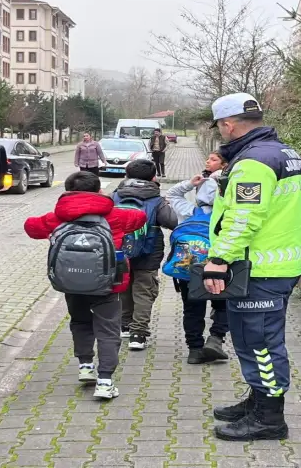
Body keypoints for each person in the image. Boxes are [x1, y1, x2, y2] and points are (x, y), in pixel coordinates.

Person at [202, 93, 301, 442]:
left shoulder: (253, 163)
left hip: (259, 268)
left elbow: (243, 218)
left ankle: (269, 419)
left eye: (220, 126)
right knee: (257, 338)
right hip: (281, 262)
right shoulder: (285, 153)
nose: (221, 131)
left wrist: (218, 260)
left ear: (229, 124)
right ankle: (257, 401)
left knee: (259, 343)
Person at [23, 171, 146, 399]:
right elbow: (140, 218)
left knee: (80, 322)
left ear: (67, 191)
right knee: (108, 330)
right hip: (109, 284)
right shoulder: (116, 216)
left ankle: (86, 367)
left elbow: (31, 227)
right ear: (99, 190)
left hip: (72, 283)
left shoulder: (58, 217)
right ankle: (105, 382)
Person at [165, 151, 230, 364]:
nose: (207, 162)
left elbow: (172, 194)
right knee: (224, 304)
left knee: (192, 309)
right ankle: (216, 338)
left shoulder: (190, 212)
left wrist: (190, 184)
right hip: (221, 265)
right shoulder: (229, 214)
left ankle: (194, 350)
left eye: (212, 160)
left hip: (189, 268)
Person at [114, 159, 178, 350]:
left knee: (123, 286)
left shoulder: (115, 196)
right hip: (148, 251)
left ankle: (124, 325)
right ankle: (138, 334)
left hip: (118, 250)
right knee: (144, 290)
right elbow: (173, 222)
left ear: (126, 175)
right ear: (153, 177)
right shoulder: (156, 199)